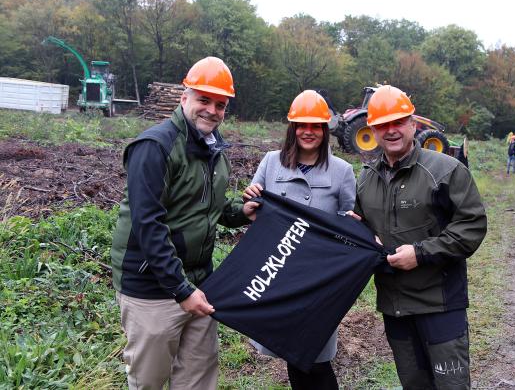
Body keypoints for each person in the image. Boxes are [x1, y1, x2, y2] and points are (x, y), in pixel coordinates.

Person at [110, 57, 257, 390]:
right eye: (204, 100)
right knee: (149, 379)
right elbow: (148, 225)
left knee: (197, 377)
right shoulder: (154, 147)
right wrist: (180, 289)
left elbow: (209, 207)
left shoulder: (215, 149)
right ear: (184, 98)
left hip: (199, 283)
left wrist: (242, 213)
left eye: (220, 104)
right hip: (152, 287)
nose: (212, 110)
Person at [349, 85, 487, 389]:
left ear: (413, 123)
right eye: (383, 124)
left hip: (440, 305)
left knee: (450, 385)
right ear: (372, 128)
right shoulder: (366, 178)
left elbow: (472, 226)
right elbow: (361, 227)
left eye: (398, 122)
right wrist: (358, 234)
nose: (392, 130)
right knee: (414, 384)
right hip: (395, 306)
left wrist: (421, 253)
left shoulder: (445, 170)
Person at [243, 90, 356, 390]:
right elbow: (252, 206)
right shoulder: (270, 163)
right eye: (302, 125)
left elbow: (349, 220)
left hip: (317, 280)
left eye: (316, 125)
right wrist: (248, 205)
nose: (309, 131)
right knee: (293, 354)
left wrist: (353, 227)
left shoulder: (342, 171)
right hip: (278, 272)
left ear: (325, 130)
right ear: (292, 128)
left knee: (316, 358)